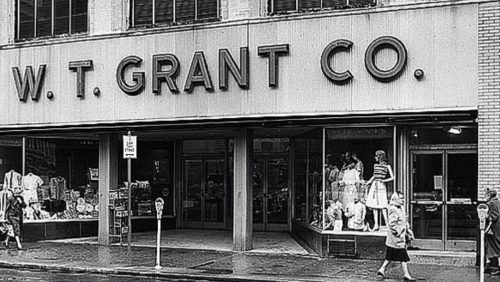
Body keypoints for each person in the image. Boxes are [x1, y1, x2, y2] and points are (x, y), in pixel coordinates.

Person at [377, 192, 416, 281]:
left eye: (403, 198)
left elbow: (404, 220)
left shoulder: (401, 208)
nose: (402, 200)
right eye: (400, 198)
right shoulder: (392, 209)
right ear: (395, 199)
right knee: (403, 256)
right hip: (396, 238)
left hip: (400, 237)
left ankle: (382, 269)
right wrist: (399, 233)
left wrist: (407, 230)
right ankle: (406, 274)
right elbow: (392, 224)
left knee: (390, 256)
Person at [366, 150, 394, 231]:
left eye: (377, 156)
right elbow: (374, 176)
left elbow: (392, 177)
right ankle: (376, 224)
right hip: (375, 185)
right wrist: (369, 182)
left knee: (383, 205)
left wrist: (384, 181)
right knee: (374, 206)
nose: (375, 157)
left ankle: (387, 224)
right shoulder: (376, 165)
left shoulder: (387, 166)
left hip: (381, 184)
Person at [485, 187, 500, 275]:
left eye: (486, 194)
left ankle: (495, 267)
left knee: (495, 247)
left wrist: (487, 217)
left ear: (490, 195)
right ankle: (492, 265)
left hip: (494, 229)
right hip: (497, 228)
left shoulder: (491, 203)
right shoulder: (497, 201)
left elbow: (494, 215)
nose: (485, 196)